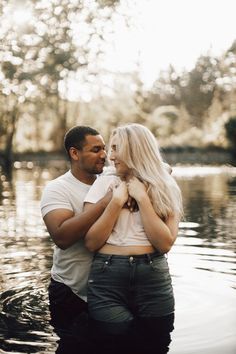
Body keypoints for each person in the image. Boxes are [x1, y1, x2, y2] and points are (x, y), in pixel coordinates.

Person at [83, 123, 183, 354]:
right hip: (107, 277)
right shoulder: (104, 184)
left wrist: (143, 198)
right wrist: (116, 202)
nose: (111, 156)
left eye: (117, 148)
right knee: (113, 343)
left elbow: (165, 244)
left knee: (156, 341)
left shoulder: (167, 187)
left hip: (153, 277)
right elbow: (91, 243)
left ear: (135, 150)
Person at [40, 126, 111, 354]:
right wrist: (106, 202)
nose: (104, 155)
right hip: (70, 292)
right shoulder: (57, 189)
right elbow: (62, 236)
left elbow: (161, 167)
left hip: (111, 291)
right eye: (96, 149)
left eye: (105, 149)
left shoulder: (110, 179)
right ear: (74, 153)